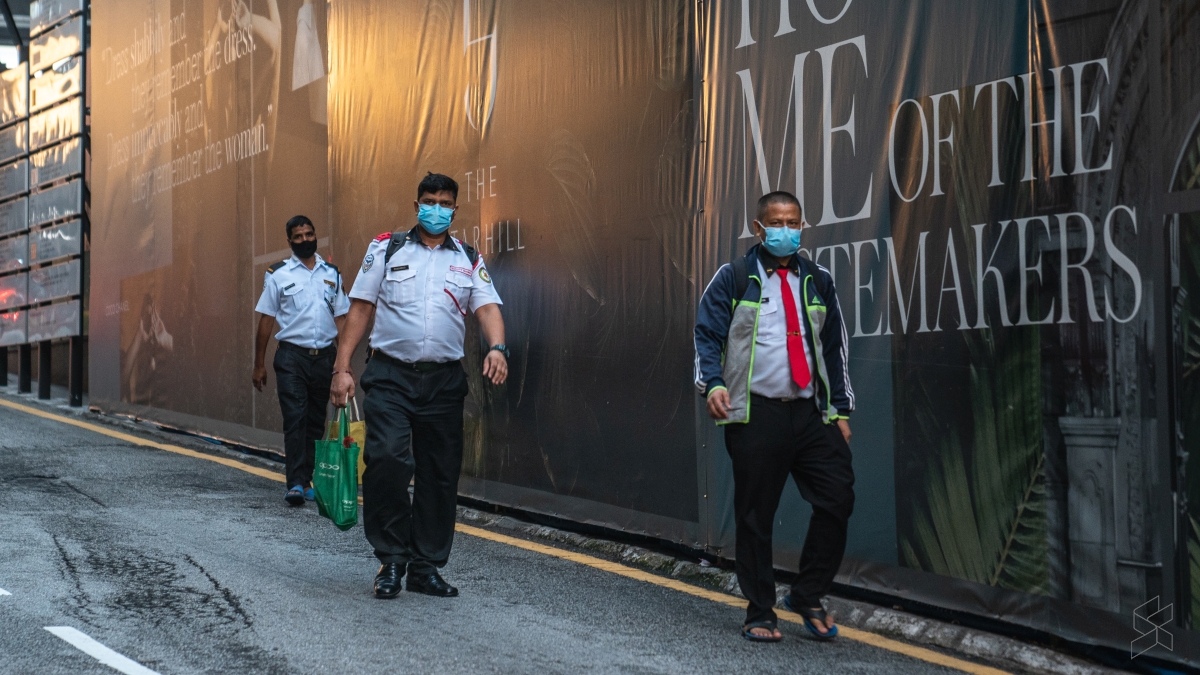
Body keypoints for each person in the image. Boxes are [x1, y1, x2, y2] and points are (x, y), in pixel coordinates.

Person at [330, 173, 509, 599]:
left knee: (439, 474)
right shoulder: (386, 248)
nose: (437, 209)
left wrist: (498, 348)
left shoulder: (467, 257)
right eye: (429, 201)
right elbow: (361, 308)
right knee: (387, 460)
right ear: (416, 206)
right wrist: (342, 368)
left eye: (445, 203)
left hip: (444, 381)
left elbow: (487, 308)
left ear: (455, 209)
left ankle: (425, 567)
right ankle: (392, 560)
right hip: (390, 375)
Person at [693, 191, 855, 643]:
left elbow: (834, 348)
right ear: (759, 228)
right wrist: (714, 384)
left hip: (811, 412)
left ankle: (808, 593)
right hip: (756, 412)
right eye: (777, 223)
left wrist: (840, 408)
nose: (786, 230)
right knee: (755, 515)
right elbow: (707, 335)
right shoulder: (734, 277)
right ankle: (760, 611)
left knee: (838, 497)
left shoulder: (818, 280)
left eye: (794, 222)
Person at [253, 215, 349, 506]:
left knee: (315, 420)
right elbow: (266, 320)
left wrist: (343, 364)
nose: (305, 240)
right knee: (295, 417)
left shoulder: (332, 273)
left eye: (309, 234)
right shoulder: (278, 274)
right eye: (298, 236)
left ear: (315, 235)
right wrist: (259, 364)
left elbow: (341, 320)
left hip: (325, 358)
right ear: (290, 241)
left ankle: (307, 480)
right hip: (292, 357)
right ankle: (295, 482)